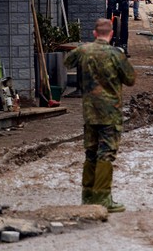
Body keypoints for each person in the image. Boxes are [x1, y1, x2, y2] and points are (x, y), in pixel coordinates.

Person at [64, 18, 136, 213]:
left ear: (95, 33)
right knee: (106, 153)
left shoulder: (84, 51)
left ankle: (87, 197)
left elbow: (67, 61)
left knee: (90, 152)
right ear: (111, 34)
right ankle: (103, 198)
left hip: (89, 112)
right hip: (110, 113)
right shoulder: (116, 54)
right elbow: (130, 79)